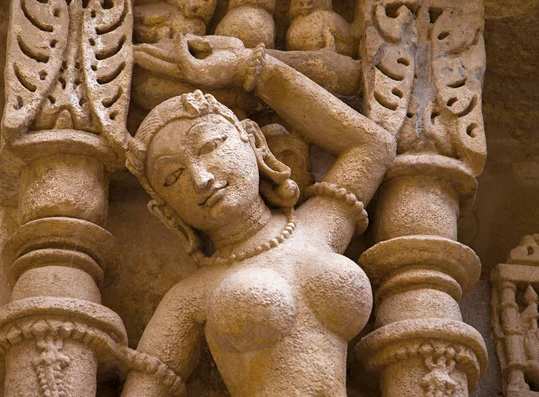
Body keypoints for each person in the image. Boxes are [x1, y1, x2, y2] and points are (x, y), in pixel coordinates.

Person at [122, 33, 396, 396]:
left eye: (209, 146)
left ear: (252, 140)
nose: (201, 179)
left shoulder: (320, 227)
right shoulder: (192, 296)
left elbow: (372, 145)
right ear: (165, 211)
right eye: (173, 177)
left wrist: (251, 68)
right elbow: (147, 386)